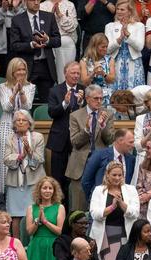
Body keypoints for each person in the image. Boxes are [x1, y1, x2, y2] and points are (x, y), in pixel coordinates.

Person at [66, 84, 115, 212]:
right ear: (87, 99)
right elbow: (75, 142)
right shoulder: (75, 116)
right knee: (78, 208)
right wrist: (87, 130)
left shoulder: (108, 114)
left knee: (99, 206)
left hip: (101, 164)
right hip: (80, 165)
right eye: (96, 98)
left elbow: (109, 140)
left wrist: (103, 126)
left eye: (101, 98)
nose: (99, 101)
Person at [0, 58, 37, 193]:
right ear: (12, 71)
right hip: (7, 125)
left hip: (24, 126)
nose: (21, 72)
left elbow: (27, 106)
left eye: (23, 69)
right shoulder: (3, 86)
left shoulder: (30, 86)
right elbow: (7, 107)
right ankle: (3, 194)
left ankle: (21, 194)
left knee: (23, 156)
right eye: (18, 69)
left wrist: (22, 91)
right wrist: (14, 92)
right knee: (6, 159)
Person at [4, 110, 46, 239]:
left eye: (24, 120)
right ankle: (16, 244)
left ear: (29, 123)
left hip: (34, 181)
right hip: (15, 180)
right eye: (18, 120)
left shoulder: (37, 137)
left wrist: (29, 151)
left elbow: (40, 159)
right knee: (15, 215)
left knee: (34, 213)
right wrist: (20, 156)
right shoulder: (10, 138)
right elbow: (6, 159)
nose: (21, 122)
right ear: (14, 124)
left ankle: (33, 241)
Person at [9, 0, 62, 103]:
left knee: (47, 103)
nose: (36, 2)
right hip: (26, 67)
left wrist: (47, 40)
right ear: (25, 2)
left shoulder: (49, 17)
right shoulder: (17, 20)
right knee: (24, 102)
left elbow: (58, 41)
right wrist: (31, 45)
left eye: (38, 0)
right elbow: (14, 45)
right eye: (33, 0)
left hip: (46, 66)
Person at [48, 61, 85, 201]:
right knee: (58, 179)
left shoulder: (84, 89)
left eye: (78, 73)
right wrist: (65, 103)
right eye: (73, 73)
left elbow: (88, 113)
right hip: (60, 140)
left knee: (77, 179)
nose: (76, 76)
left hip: (79, 140)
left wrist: (81, 104)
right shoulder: (55, 90)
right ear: (65, 73)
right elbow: (52, 112)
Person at [82, 128, 136, 201]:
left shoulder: (131, 159)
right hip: (101, 201)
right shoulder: (99, 155)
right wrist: (93, 199)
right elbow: (86, 181)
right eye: (130, 142)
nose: (133, 145)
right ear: (120, 141)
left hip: (123, 202)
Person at [106, 0, 146, 90]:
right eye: (118, 9)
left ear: (130, 11)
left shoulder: (139, 26)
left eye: (122, 9)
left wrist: (128, 34)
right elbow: (107, 49)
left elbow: (140, 47)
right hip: (115, 64)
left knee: (134, 93)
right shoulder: (109, 26)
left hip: (134, 64)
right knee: (115, 94)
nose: (119, 11)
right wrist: (119, 39)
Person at [40, 0, 78, 83]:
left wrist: (60, 15)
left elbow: (72, 27)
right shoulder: (42, 6)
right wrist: (50, 16)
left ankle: (67, 91)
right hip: (49, 43)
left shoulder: (69, 4)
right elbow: (41, 29)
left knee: (68, 72)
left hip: (67, 43)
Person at [0, 0, 26, 76]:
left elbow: (25, 21)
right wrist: (3, 9)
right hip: (0, 42)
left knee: (14, 73)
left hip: (17, 40)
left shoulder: (22, 1)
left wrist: (16, 8)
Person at [80, 33, 116, 107]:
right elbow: (84, 82)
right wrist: (93, 73)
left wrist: (103, 74)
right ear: (95, 46)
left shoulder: (110, 60)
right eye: (103, 47)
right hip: (91, 97)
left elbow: (112, 80)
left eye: (106, 47)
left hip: (106, 97)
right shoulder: (84, 61)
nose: (105, 49)